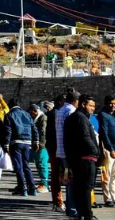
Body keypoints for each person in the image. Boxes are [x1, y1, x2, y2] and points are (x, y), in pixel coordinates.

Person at [64, 94, 99, 220]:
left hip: (76, 158)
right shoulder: (81, 117)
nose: (93, 109)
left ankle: (81, 214)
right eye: (91, 106)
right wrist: (95, 151)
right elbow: (85, 136)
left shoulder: (73, 117)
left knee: (79, 187)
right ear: (83, 104)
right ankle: (87, 215)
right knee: (86, 188)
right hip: (86, 158)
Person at [3, 98, 38, 196]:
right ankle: (32, 188)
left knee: (18, 167)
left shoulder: (9, 115)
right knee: (26, 165)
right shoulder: (26, 114)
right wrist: (36, 140)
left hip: (16, 142)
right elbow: (34, 128)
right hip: (27, 142)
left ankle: (22, 188)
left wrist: (6, 144)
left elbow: (8, 130)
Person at [56, 89, 80, 218]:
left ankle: (70, 207)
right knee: (72, 181)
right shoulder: (71, 111)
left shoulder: (61, 110)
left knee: (68, 180)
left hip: (61, 151)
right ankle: (73, 209)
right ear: (75, 101)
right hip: (69, 152)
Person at [45, 94, 65, 212]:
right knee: (57, 174)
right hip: (57, 149)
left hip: (55, 148)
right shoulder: (55, 115)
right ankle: (58, 201)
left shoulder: (53, 114)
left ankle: (58, 200)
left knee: (58, 174)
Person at [28, 103, 49, 194]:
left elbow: (43, 132)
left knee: (41, 163)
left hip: (42, 145)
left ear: (35, 111)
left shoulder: (42, 118)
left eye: (31, 113)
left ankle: (45, 184)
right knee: (38, 163)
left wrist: (39, 143)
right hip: (37, 144)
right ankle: (43, 182)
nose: (31, 115)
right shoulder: (37, 118)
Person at [99, 95, 115, 208]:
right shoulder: (103, 115)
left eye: (114, 103)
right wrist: (111, 149)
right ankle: (107, 198)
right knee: (106, 175)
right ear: (106, 104)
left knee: (113, 176)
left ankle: (113, 196)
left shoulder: (113, 115)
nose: (113, 105)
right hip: (108, 149)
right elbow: (104, 133)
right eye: (110, 103)